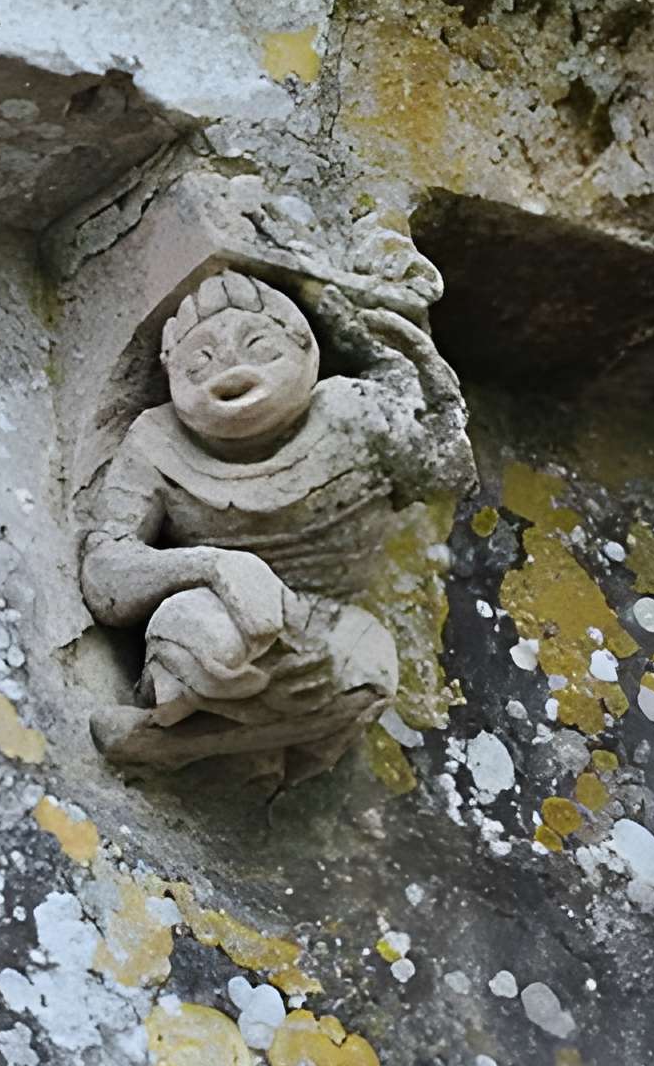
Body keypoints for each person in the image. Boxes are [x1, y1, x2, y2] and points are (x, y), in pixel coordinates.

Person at [80, 266, 470, 786]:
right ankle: (182, 726)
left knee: (370, 665)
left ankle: (188, 747)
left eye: (259, 347)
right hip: (219, 612)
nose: (230, 368)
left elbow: (445, 474)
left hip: (319, 618)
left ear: (308, 350)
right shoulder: (156, 440)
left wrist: (403, 364)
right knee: (193, 627)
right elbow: (105, 570)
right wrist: (216, 565)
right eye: (200, 362)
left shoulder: (354, 409)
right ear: (171, 378)